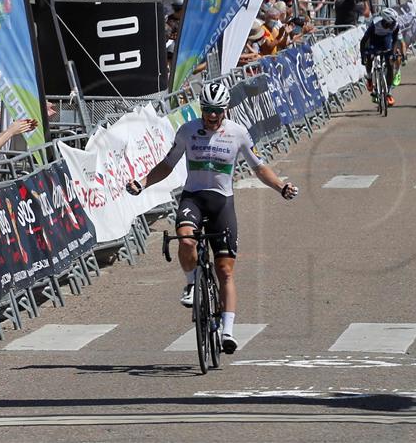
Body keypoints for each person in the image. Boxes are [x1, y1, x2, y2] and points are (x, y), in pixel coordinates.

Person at [126, 83, 298, 354]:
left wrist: (281, 187)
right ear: (201, 110)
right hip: (193, 198)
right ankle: (192, 283)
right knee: (185, 239)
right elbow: (167, 164)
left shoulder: (238, 133)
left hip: (222, 204)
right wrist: (142, 182)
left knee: (225, 271)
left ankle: (227, 331)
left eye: (217, 111)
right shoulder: (187, 131)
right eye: (207, 111)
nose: (212, 116)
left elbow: (259, 167)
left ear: (225, 110)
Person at [360, 7, 400, 107]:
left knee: (390, 64)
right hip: (374, 41)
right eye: (392, 23)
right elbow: (364, 41)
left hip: (386, 40)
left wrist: (393, 54)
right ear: (386, 21)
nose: (394, 25)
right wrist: (363, 55)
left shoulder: (395, 26)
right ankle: (369, 78)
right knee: (369, 56)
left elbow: (395, 40)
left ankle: (389, 92)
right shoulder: (374, 24)